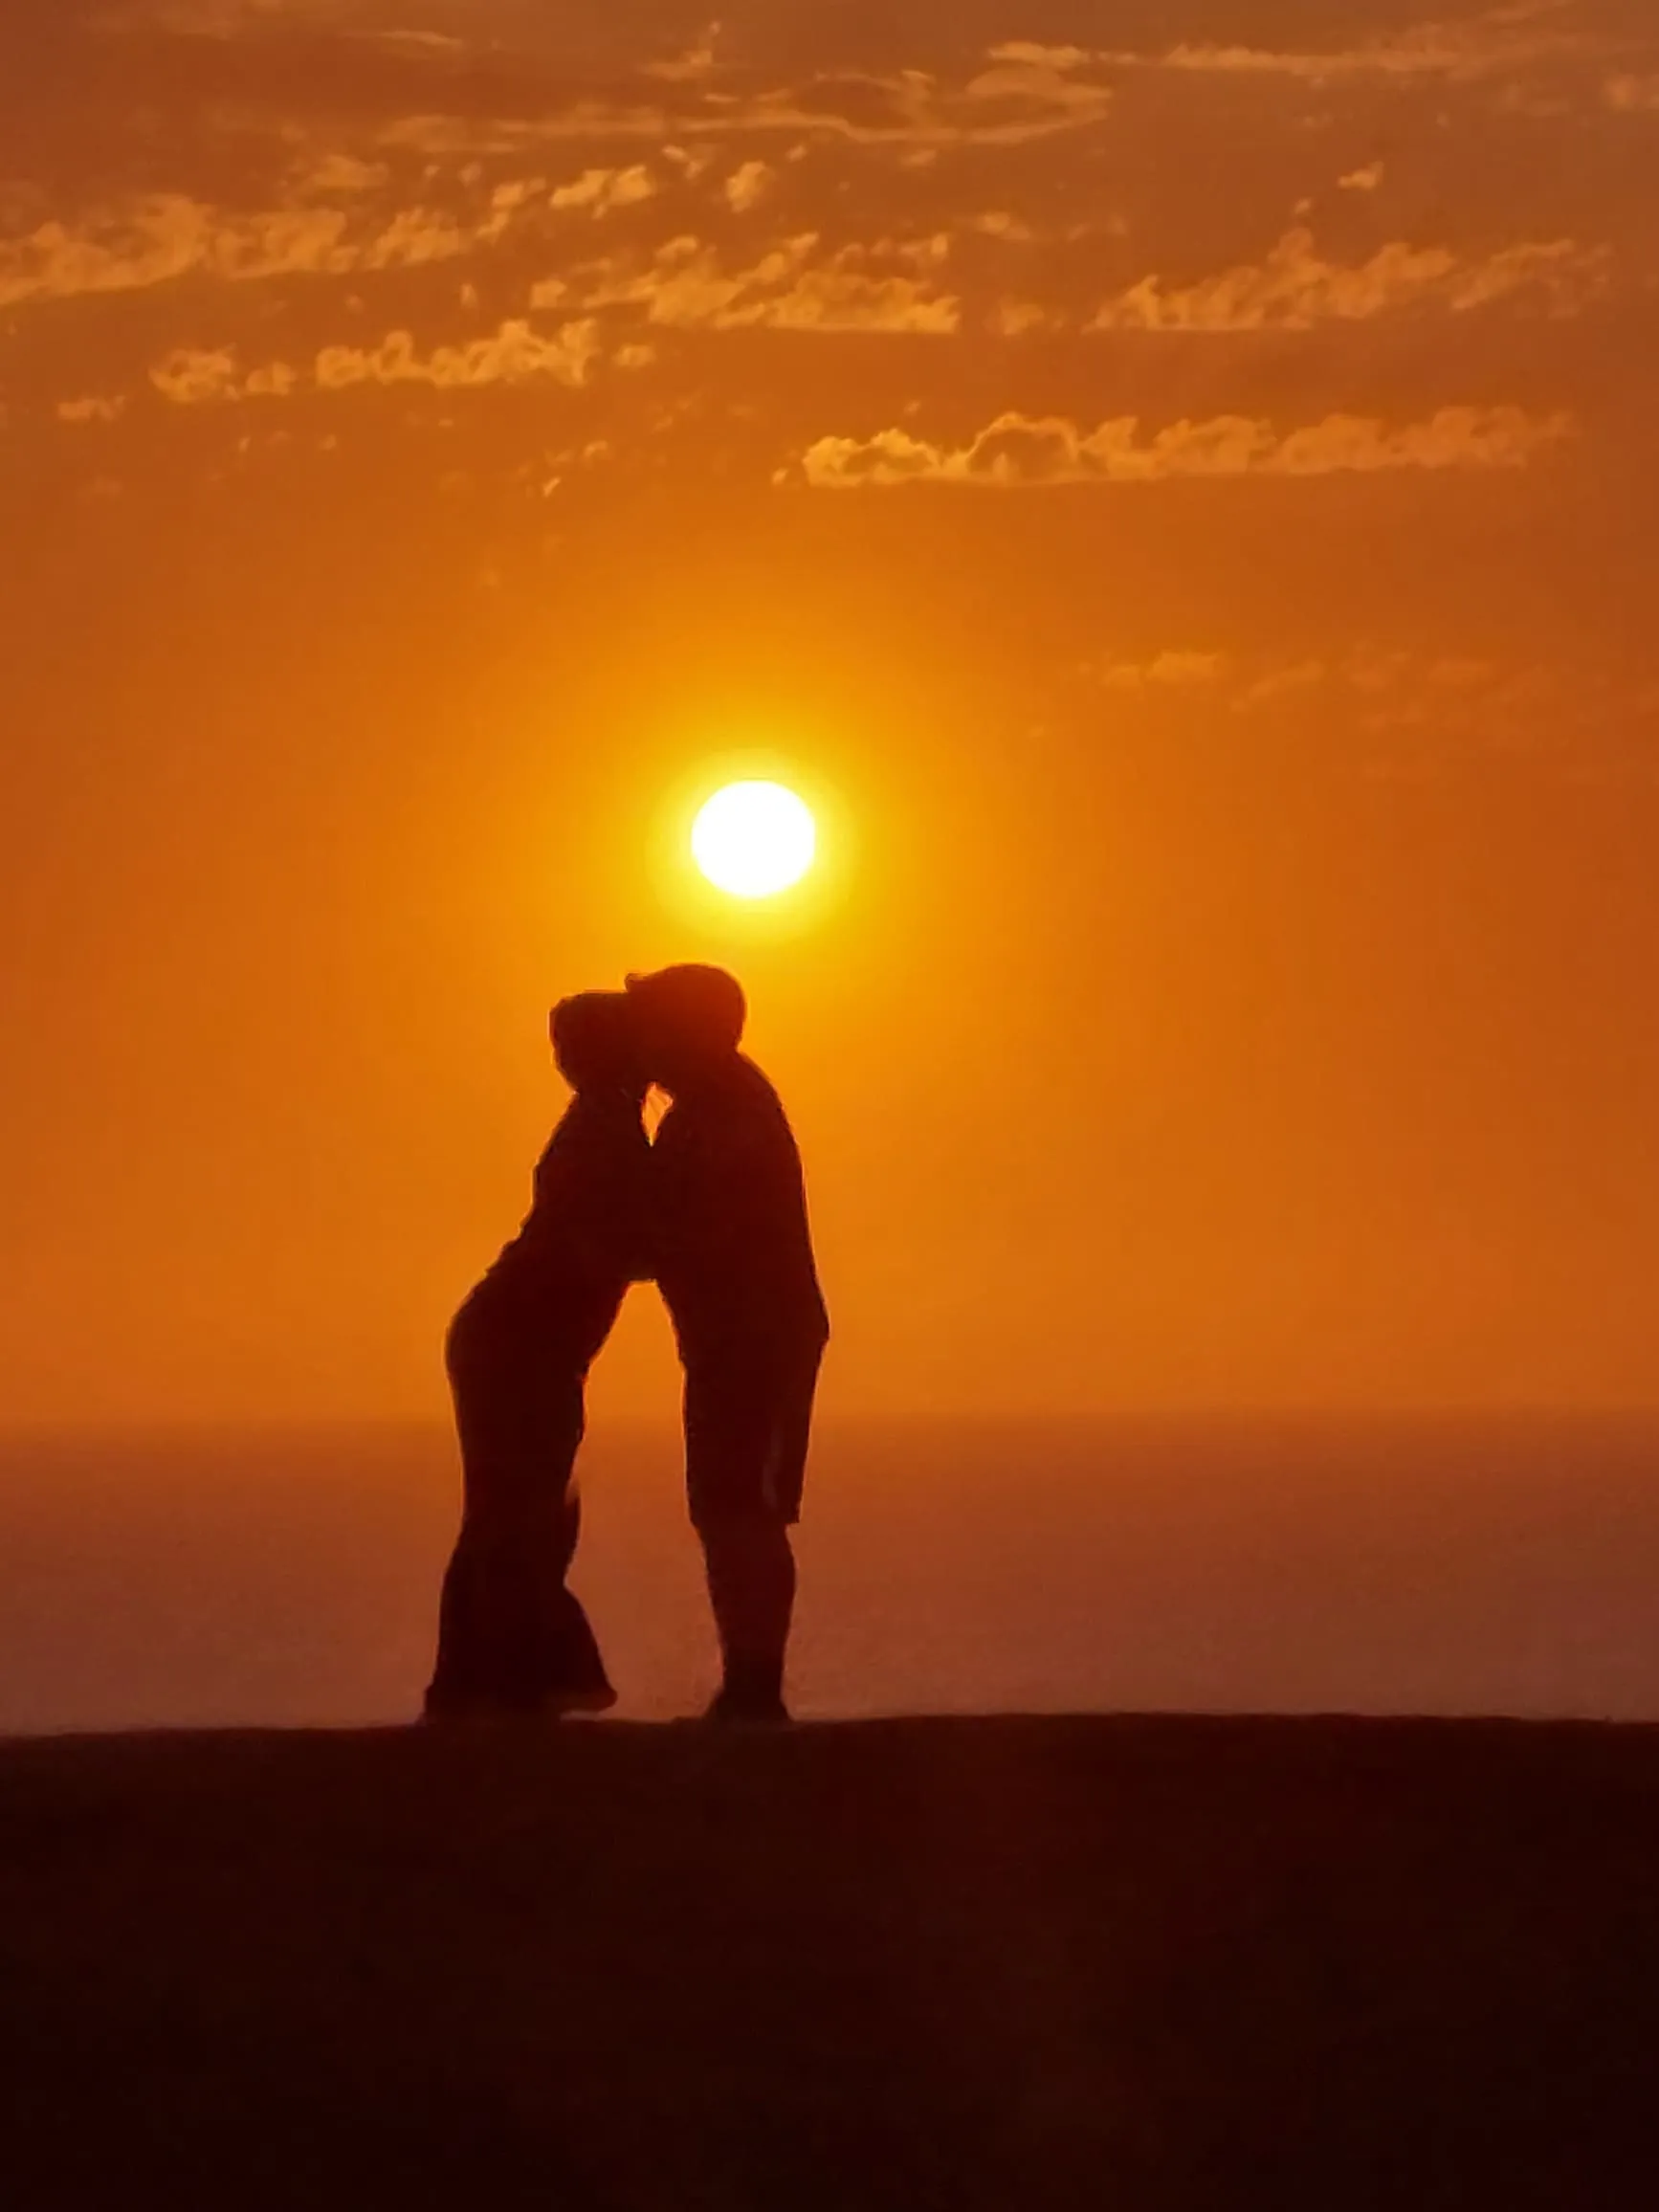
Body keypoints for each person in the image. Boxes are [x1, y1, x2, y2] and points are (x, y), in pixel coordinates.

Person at [425, 991, 652, 1722]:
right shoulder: (604, 1130)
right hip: (521, 1339)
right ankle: (496, 1681)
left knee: (518, 1505)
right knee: (518, 1507)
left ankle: (498, 1679)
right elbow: (602, 1248)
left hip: (525, 1339)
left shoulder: (603, 1123)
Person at [625, 964, 830, 1724]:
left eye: (654, 1027)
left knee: (740, 1506)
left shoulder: (721, 1113)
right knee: (730, 1507)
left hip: (754, 1337)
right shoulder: (719, 1104)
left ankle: (753, 1684)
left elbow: (687, 1230)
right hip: (740, 1336)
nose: (644, 1046)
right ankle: (748, 1679)